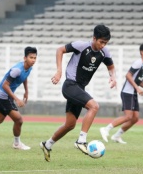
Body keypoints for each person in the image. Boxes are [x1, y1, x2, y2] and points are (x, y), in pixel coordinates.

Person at [39, 24, 117, 162]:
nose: (103, 45)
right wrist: (59, 71)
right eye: (101, 42)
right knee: (94, 106)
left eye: (106, 43)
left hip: (80, 88)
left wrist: (112, 76)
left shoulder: (105, 52)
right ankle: (81, 141)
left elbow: (111, 66)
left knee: (70, 124)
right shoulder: (81, 46)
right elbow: (60, 50)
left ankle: (47, 144)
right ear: (94, 38)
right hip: (70, 85)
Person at [100, 43, 143, 144]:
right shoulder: (138, 63)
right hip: (127, 92)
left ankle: (116, 136)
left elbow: (139, 81)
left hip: (133, 93)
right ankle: (106, 129)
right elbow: (128, 76)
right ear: (141, 52)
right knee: (128, 116)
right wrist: (137, 89)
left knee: (135, 118)